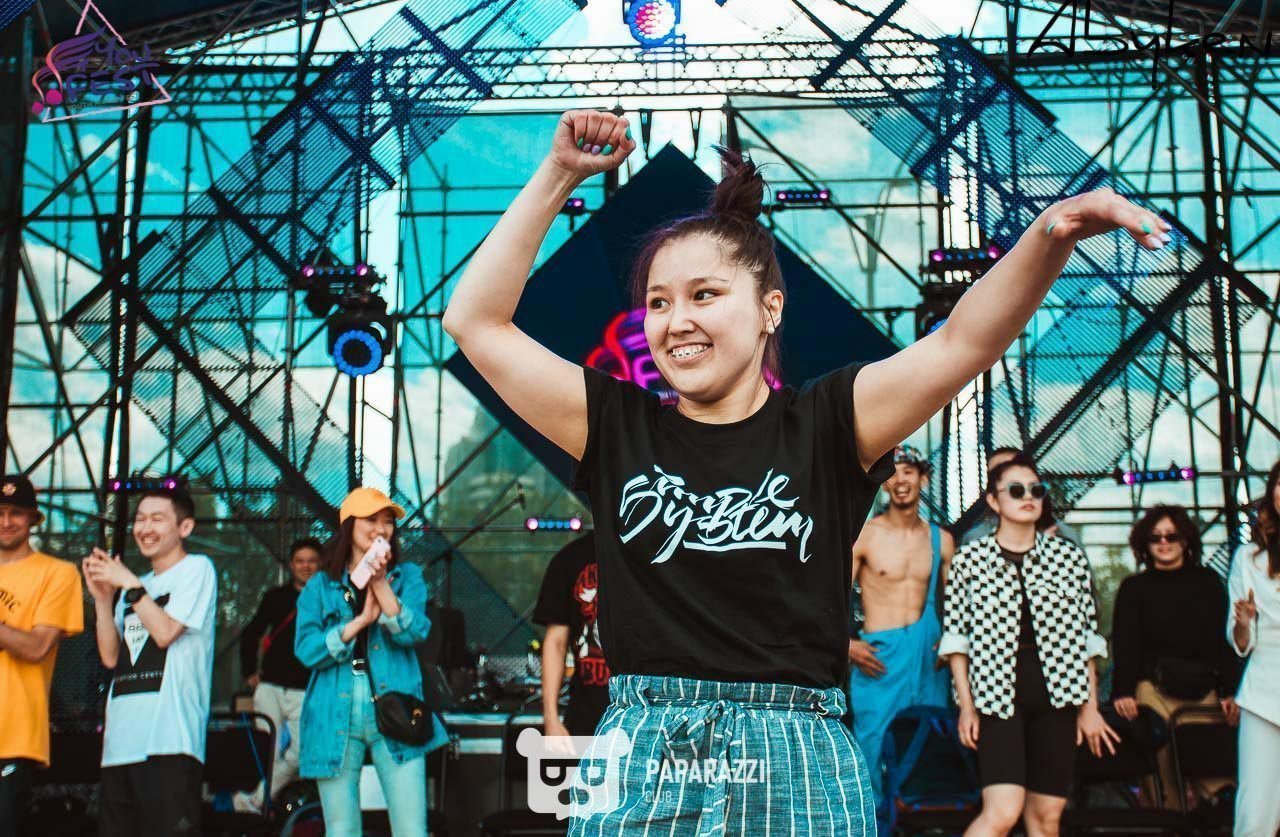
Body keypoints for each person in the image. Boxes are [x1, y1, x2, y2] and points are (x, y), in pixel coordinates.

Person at [441, 107, 1171, 833]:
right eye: (658, 302)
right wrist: (558, 174)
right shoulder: (616, 424)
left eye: (704, 294)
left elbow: (963, 344)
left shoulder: (828, 423)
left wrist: (1054, 230)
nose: (675, 320)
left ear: (770, 309)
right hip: (647, 751)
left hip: (795, 750)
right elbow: (474, 323)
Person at [940, 454, 1118, 837]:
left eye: (1036, 490)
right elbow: (956, 641)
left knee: (1046, 819)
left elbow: (1087, 640)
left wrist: (1090, 707)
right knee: (1002, 813)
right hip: (995, 696)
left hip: (1059, 694)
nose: (1028, 497)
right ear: (994, 500)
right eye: (1016, 490)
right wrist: (966, 707)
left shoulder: (1068, 557)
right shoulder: (970, 560)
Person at [294, 487, 449, 837]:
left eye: (388, 522)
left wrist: (380, 584)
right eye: (371, 519)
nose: (381, 529)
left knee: (412, 829)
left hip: (396, 703)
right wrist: (360, 622)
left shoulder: (406, 576)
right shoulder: (320, 585)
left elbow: (415, 633)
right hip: (333, 709)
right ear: (349, 525)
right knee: (341, 829)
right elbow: (306, 650)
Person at [82, 484, 217, 837]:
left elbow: (166, 632)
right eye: (140, 519)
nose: (145, 528)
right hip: (120, 743)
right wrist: (102, 600)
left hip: (170, 740)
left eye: (157, 519)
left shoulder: (197, 569)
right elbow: (110, 657)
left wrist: (129, 585)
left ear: (185, 527)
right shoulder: (135, 585)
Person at [1109, 505, 1239, 809]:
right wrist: (1123, 691)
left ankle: (1220, 814)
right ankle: (1170, 818)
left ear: (1186, 540)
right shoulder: (1134, 588)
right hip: (1154, 689)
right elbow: (1126, 645)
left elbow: (1223, 642)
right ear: (1145, 544)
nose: (1164, 543)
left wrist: (1232, 690)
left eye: (1172, 536)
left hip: (1203, 688)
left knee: (1215, 772)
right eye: (1155, 537)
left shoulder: (1207, 582)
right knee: (1163, 771)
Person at [847, 445, 953, 810]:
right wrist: (847, 644)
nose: (900, 480)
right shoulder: (866, 535)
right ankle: (873, 825)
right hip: (879, 657)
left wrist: (951, 642)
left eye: (909, 471)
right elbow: (829, 596)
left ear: (924, 479)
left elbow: (959, 604)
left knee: (927, 745)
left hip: (929, 658)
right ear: (884, 482)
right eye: (893, 472)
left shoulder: (942, 540)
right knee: (872, 748)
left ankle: (921, 824)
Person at [0, 475, 84, 837]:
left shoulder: (57, 573)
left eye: (16, 513)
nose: (5, 521)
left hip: (12, 736)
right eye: (0, 512)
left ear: (33, 519)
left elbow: (36, 648)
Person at [232, 537, 322, 812]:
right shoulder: (276, 597)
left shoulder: (327, 598)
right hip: (270, 687)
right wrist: (250, 672)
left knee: (299, 754)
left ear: (320, 565)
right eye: (300, 561)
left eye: (311, 561)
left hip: (305, 690)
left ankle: (255, 801)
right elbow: (251, 633)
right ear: (291, 565)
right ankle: (268, 810)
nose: (305, 566)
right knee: (267, 754)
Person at [1229, 459, 1280, 837]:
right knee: (1255, 815)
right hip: (1264, 690)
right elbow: (1240, 643)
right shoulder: (1248, 559)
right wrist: (1243, 622)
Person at [534, 531, 612, 741]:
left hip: (648, 715)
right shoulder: (571, 558)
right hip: (587, 717)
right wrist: (551, 718)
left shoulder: (654, 550)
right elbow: (555, 642)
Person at [961, 448, 1079, 546]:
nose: (1027, 496)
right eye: (1015, 488)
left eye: (1033, 488)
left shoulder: (1065, 538)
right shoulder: (976, 541)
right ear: (992, 498)